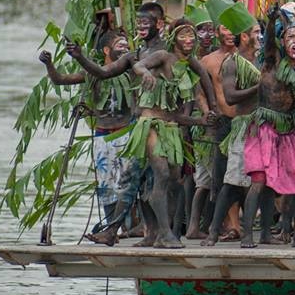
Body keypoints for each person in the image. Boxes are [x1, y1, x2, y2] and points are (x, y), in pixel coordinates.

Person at [39, 31, 140, 245]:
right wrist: (49, 64)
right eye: (118, 45)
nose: (124, 48)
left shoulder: (132, 71)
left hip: (126, 133)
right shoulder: (92, 73)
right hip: (103, 136)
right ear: (106, 50)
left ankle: (120, 228)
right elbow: (59, 80)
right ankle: (110, 227)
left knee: (126, 182)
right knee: (105, 186)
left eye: (126, 44)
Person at [127, 19, 217, 247]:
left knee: (176, 179)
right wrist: (144, 73)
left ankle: (158, 233)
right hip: (150, 124)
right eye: (183, 35)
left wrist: (210, 112)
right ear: (174, 39)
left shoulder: (192, 64)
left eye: (191, 36)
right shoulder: (164, 57)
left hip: (172, 126)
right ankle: (165, 234)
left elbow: (205, 83)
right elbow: (139, 66)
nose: (188, 40)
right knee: (162, 174)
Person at [241, 5, 295, 249]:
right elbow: (269, 44)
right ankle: (248, 236)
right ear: (283, 41)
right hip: (264, 127)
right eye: (291, 37)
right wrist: (272, 19)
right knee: (259, 181)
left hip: (290, 129)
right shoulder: (272, 61)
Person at [201, 25, 263, 246]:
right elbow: (230, 96)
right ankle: (213, 233)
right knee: (231, 183)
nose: (260, 35)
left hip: (262, 129)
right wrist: (259, 87)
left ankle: (259, 234)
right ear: (244, 36)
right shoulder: (232, 63)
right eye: (256, 32)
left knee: (260, 182)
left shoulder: (261, 61)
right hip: (242, 128)